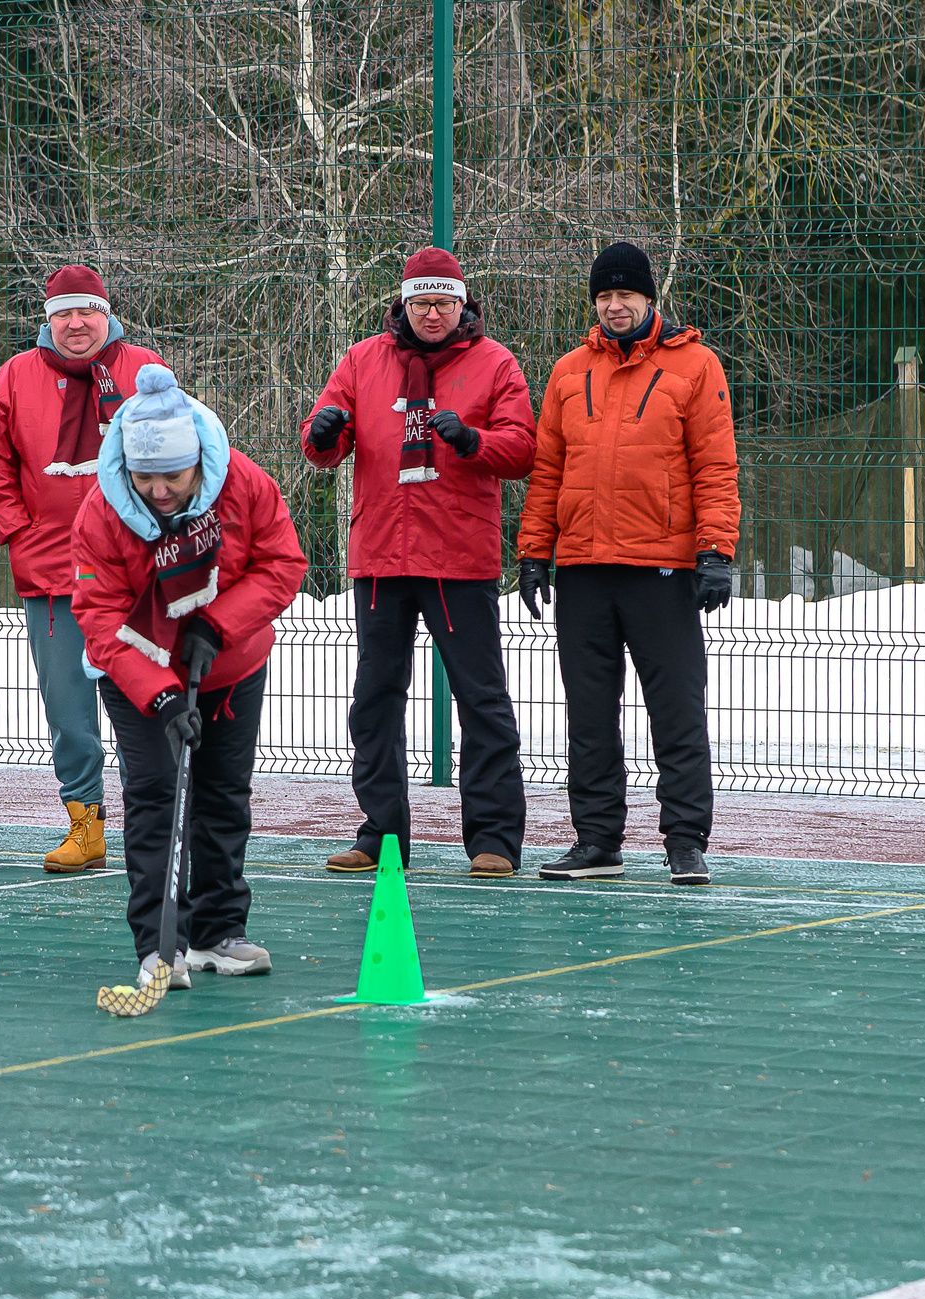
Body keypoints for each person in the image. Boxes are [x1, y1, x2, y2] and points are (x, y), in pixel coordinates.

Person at [70, 365, 308, 989]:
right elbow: (99, 615)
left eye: (171, 476)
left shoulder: (243, 483)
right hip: (136, 671)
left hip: (231, 663)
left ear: (197, 460)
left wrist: (218, 624)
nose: (158, 490)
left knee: (223, 795)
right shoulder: (103, 508)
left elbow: (282, 562)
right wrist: (160, 693)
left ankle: (217, 932)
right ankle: (159, 944)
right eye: (144, 477)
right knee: (157, 796)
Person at [302, 246, 537, 878]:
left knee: (480, 697)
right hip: (381, 554)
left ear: (463, 305)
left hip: (459, 556)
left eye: (443, 302)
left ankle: (493, 839)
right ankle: (381, 833)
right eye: (421, 302)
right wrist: (323, 432)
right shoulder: (362, 359)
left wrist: (474, 441)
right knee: (375, 698)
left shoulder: (494, 364)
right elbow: (325, 437)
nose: (432, 313)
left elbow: (521, 448)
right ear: (403, 304)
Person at [513, 241, 740, 886]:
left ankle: (685, 841)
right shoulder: (566, 372)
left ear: (649, 300)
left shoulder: (696, 367)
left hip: (662, 567)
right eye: (604, 296)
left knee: (675, 710)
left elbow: (715, 467)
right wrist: (533, 552)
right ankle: (597, 842)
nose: (614, 306)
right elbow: (548, 471)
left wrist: (715, 551)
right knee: (588, 713)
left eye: (626, 295)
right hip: (583, 566)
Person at [0, 265, 165, 873]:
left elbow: (181, 455)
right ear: (47, 320)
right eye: (63, 314)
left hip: (137, 575)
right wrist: (21, 536)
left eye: (86, 312)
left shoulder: (144, 371)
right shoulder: (14, 378)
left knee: (142, 701)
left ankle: (154, 823)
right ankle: (85, 824)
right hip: (51, 576)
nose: (75, 324)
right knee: (68, 710)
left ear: (108, 314)